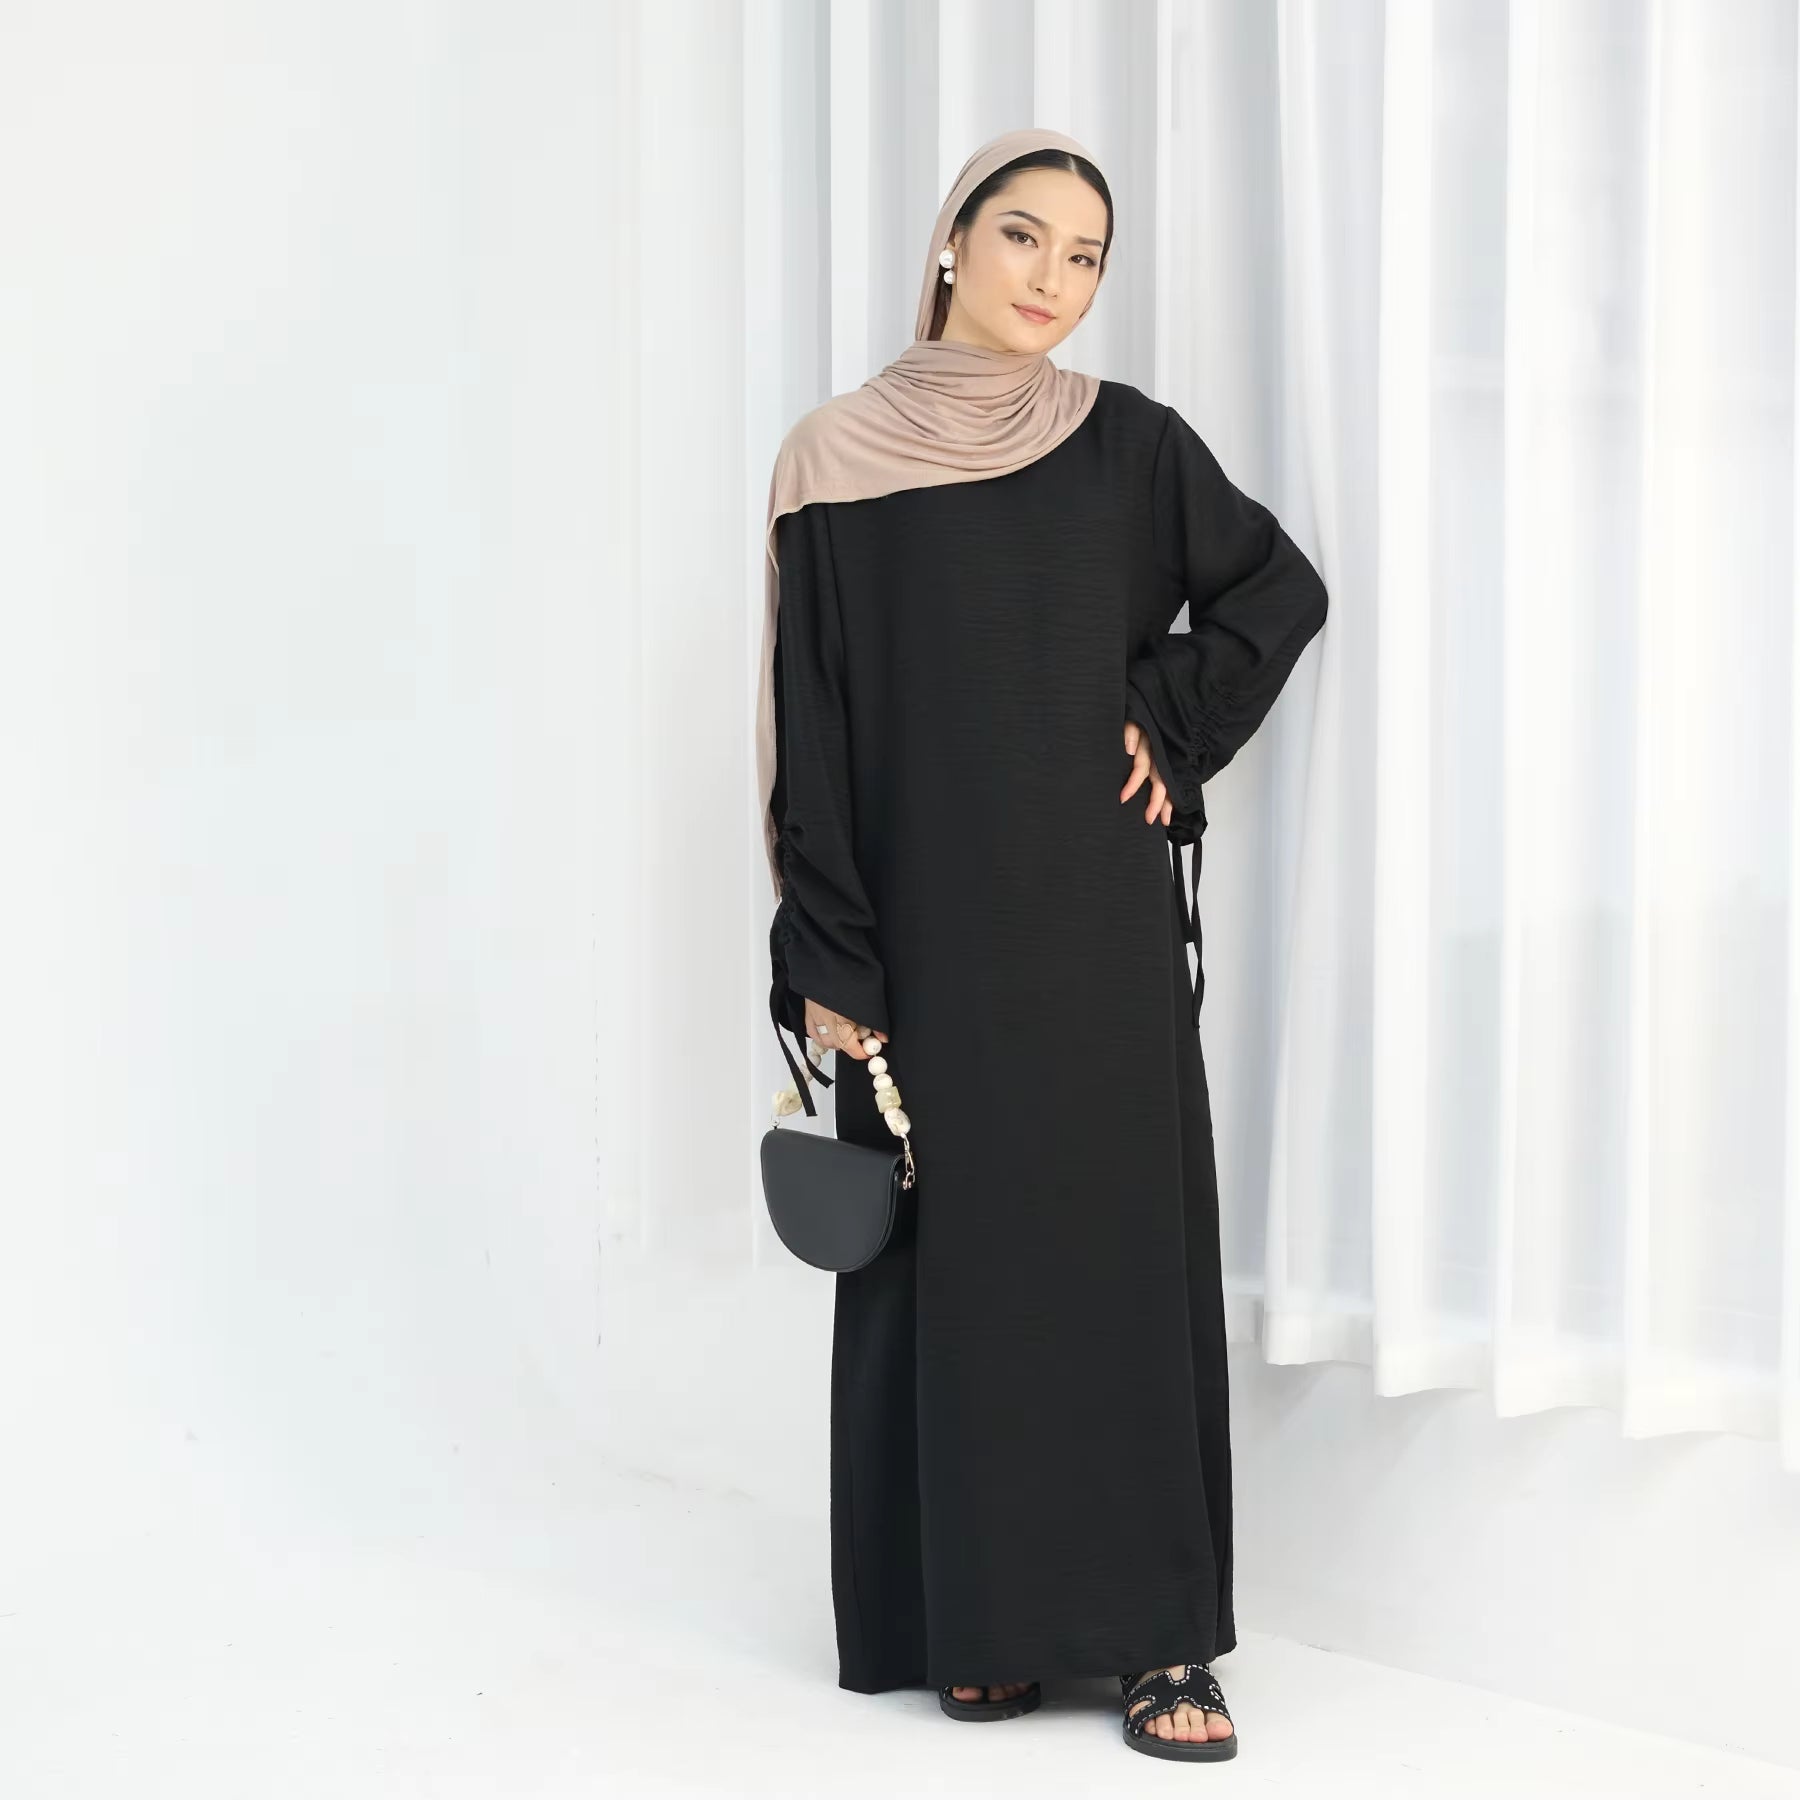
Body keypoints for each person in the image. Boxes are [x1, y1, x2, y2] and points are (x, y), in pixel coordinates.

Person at [755, 126, 1328, 1764]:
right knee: (961, 1275)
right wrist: (832, 961)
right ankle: (982, 1619)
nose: (1052, 280)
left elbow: (1276, 591)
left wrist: (1169, 713)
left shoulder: (1130, 447)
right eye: (1024, 238)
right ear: (953, 241)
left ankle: (1159, 1642)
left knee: (1117, 1264)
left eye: (1086, 258)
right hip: (926, 939)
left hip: (1093, 931)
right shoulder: (832, 463)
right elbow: (813, 733)